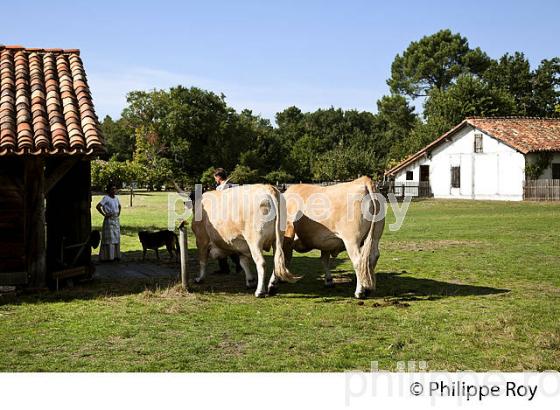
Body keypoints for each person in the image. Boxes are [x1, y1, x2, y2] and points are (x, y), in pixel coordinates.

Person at [212, 168, 242, 274]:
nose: (215, 180)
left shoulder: (220, 188)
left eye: (215, 177)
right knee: (231, 243)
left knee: (221, 243)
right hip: (236, 217)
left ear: (218, 177)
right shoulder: (236, 187)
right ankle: (238, 265)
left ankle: (225, 268)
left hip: (224, 219)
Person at [96, 184, 122, 262]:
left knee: (116, 237)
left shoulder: (116, 198)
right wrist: (104, 214)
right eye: (112, 189)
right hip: (109, 221)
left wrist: (118, 213)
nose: (114, 191)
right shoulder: (106, 198)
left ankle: (116, 256)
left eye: (115, 189)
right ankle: (108, 257)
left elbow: (119, 206)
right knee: (109, 239)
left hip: (116, 220)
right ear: (109, 190)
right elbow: (98, 206)